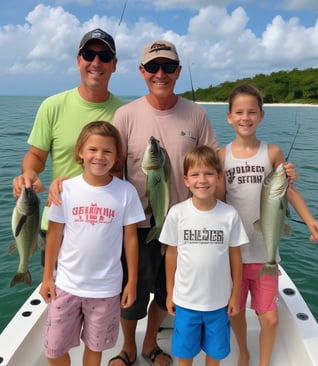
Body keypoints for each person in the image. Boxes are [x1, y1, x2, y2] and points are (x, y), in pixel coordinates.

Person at [109, 40, 220, 366]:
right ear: (142, 71)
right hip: (138, 226)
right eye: (153, 67)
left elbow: (214, 166)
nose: (161, 73)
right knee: (133, 292)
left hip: (186, 226)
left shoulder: (197, 113)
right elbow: (111, 169)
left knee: (168, 289)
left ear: (179, 72)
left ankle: (150, 343)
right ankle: (127, 345)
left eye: (168, 67)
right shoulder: (125, 115)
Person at [217, 83, 318, 366]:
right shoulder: (221, 156)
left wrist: (310, 219)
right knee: (235, 311)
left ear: (262, 116)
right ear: (229, 116)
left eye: (252, 112)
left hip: (265, 255)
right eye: (239, 112)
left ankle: (263, 363)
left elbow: (288, 191)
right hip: (234, 256)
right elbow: (216, 202)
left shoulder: (273, 152)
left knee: (271, 318)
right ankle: (244, 353)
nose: (245, 117)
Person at [39, 121, 145, 366]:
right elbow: (54, 235)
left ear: (117, 156)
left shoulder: (126, 192)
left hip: (106, 289)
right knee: (53, 349)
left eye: (107, 151)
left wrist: (132, 281)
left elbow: (130, 239)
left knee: (95, 348)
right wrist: (47, 276)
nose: (99, 156)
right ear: (80, 152)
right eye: (93, 149)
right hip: (66, 285)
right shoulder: (65, 189)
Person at [12, 28, 123, 243]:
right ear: (78, 61)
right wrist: (29, 173)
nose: (96, 63)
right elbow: (36, 155)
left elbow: (122, 169)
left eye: (105, 56)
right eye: (89, 55)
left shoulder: (126, 113)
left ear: (114, 65)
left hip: (105, 224)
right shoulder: (51, 106)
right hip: (57, 222)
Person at [159, 145, 248, 366]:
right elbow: (171, 254)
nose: (202, 180)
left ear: (219, 178)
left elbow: (235, 256)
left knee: (215, 354)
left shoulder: (229, 214)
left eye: (209, 173)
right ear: (186, 180)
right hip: (186, 301)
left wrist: (235, 294)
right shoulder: (177, 213)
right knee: (185, 354)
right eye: (195, 174)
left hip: (219, 302)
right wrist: (170, 292)